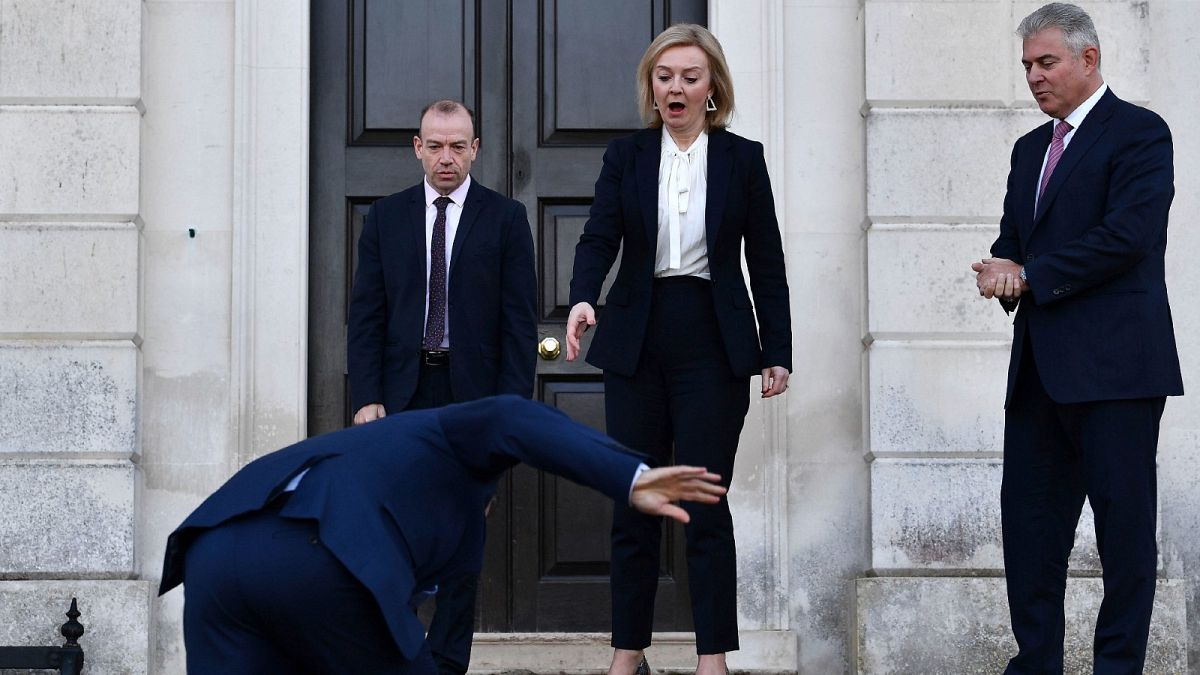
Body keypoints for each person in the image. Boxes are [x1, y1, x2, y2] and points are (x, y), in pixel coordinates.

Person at [159, 395, 727, 675]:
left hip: (212, 549)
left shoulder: (374, 455)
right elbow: (512, 416)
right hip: (318, 551)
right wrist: (627, 477)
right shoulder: (446, 437)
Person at [565, 24, 791, 675]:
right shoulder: (627, 156)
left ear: (712, 86)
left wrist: (776, 348)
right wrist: (584, 296)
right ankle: (627, 649)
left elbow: (766, 261)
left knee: (703, 501)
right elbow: (599, 236)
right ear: (651, 84)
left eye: (690, 77)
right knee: (633, 498)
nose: (676, 88)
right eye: (665, 76)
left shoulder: (743, 159)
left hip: (714, 343)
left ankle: (711, 657)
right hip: (637, 336)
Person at [971, 4, 1182, 673]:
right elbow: (1016, 239)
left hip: (1118, 372)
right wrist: (1001, 269)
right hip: (1038, 373)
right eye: (1027, 65)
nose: (1034, 77)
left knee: (1123, 540)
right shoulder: (1030, 149)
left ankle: (1116, 667)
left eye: (1046, 62)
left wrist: (1030, 275)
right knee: (1029, 535)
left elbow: (1128, 236)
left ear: (1088, 59)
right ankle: (1036, 663)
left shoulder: (1141, 134)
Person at [346, 99, 537, 673]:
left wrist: (507, 411)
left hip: (472, 399)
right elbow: (368, 316)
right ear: (417, 147)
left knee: (461, 533)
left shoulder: (505, 219)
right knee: (395, 528)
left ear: (475, 149)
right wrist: (365, 397)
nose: (446, 157)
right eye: (435, 145)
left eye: (458, 146)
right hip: (402, 396)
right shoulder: (385, 218)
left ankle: (447, 661)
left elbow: (519, 325)